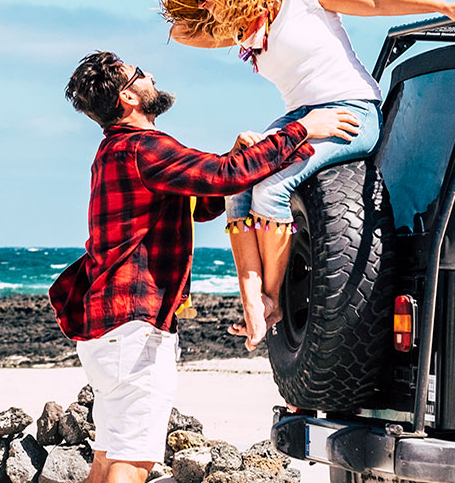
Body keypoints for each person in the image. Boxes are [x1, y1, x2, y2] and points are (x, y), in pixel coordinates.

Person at [49, 51, 359, 483]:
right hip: (135, 328)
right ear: (128, 97)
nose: (151, 74)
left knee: (107, 457)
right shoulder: (144, 146)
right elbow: (224, 177)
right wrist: (302, 130)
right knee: (132, 461)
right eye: (140, 74)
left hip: (109, 329)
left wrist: (232, 159)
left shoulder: (114, 151)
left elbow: (203, 200)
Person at [160, 0, 455, 349]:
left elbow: (371, 0)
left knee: (272, 187)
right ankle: (253, 301)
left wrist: (442, 6)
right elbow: (184, 32)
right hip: (300, 118)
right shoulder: (246, 28)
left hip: (350, 110)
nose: (203, 1)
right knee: (238, 182)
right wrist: (209, 2)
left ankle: (272, 300)